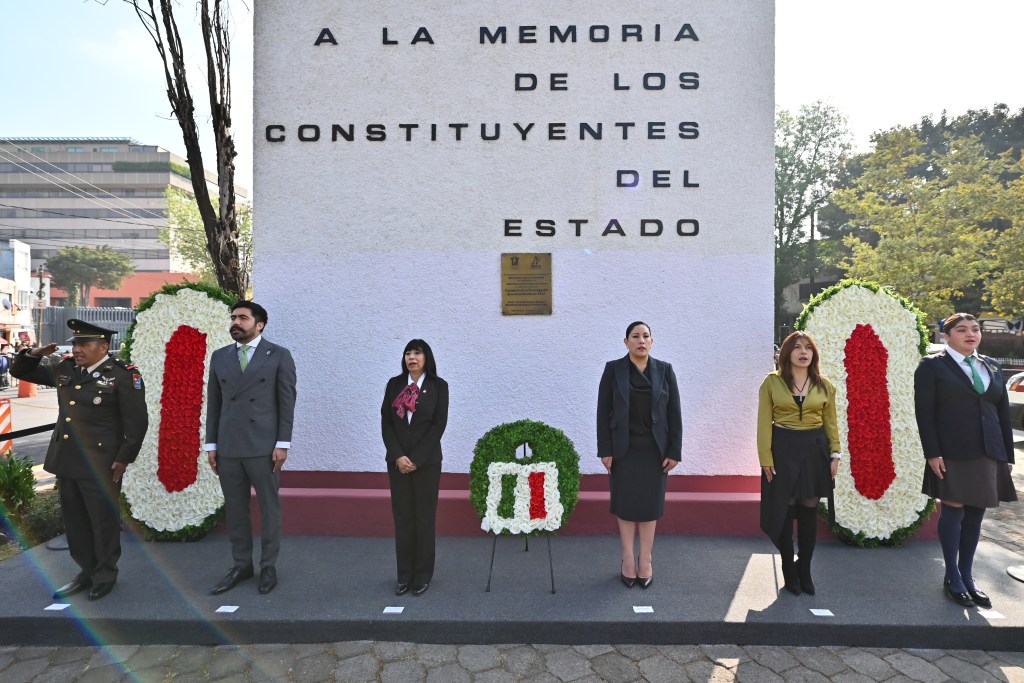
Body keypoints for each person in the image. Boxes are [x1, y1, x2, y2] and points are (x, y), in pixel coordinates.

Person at [10, 320, 148, 601]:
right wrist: (35, 353)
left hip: (102, 462)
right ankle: (87, 570)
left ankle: (105, 574)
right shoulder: (66, 369)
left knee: (102, 521)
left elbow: (137, 423)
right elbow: (19, 371)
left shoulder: (123, 375)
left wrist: (124, 459)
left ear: (103, 347)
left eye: (84, 344)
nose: (76, 350)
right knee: (75, 521)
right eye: (75, 344)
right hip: (67, 458)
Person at [915, 312, 1016, 608]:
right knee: (953, 509)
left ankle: (968, 577)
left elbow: (1002, 413)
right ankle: (952, 577)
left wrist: (1007, 455)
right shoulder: (932, 366)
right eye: (961, 330)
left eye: (975, 329)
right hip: (951, 451)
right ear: (946, 336)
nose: (971, 334)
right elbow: (925, 413)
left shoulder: (992, 365)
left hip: (989, 451)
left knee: (976, 513)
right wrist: (932, 452)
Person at [205, 301, 296, 596]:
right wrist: (211, 444)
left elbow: (286, 402)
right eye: (233, 317)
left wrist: (282, 443)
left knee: (269, 509)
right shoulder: (220, 356)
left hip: (264, 446)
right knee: (235, 509)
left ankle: (268, 566)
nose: (236, 322)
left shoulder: (278, 355)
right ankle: (241, 564)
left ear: (259, 324)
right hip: (229, 445)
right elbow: (214, 404)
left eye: (243, 318)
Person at [597, 322, 682, 588]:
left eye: (646, 336)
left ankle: (645, 559)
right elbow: (603, 412)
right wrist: (605, 449)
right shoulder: (613, 369)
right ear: (626, 342)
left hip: (655, 450)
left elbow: (674, 413)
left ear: (652, 341)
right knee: (625, 505)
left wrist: (674, 450)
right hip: (623, 449)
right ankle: (627, 559)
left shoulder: (665, 370)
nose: (641, 341)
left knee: (649, 506)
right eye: (635, 336)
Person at [757, 331, 840, 596]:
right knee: (784, 509)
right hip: (782, 451)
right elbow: (763, 423)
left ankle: (804, 567)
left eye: (808, 347)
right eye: (797, 347)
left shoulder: (825, 385)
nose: (803, 352)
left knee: (808, 511)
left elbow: (831, 423)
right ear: (786, 353)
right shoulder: (771, 383)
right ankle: (787, 567)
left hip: (815, 451)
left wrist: (835, 454)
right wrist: (765, 458)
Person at [381, 340, 449, 596]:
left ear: (426, 357)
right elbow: (386, 422)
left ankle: (422, 575)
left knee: (424, 518)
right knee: (403, 518)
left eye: (417, 353)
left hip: (427, 463)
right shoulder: (394, 384)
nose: (412, 357)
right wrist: (398, 456)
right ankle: (404, 576)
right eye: (408, 353)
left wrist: (416, 459)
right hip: (397, 463)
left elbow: (438, 425)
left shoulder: (438, 386)